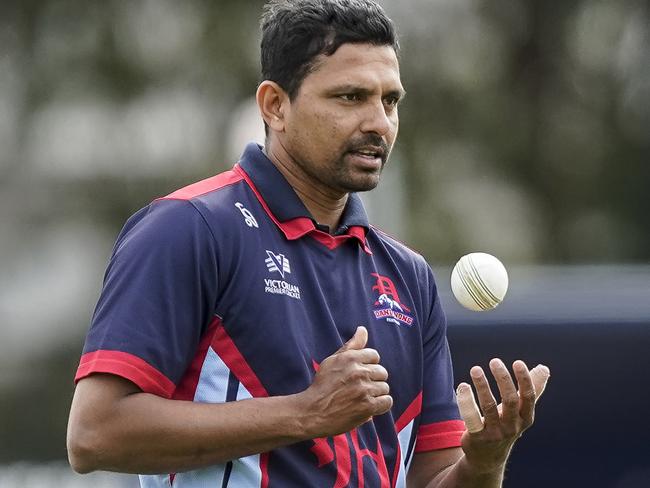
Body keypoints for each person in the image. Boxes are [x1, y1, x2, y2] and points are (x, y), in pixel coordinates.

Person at [67, 1, 550, 486]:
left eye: (390, 101)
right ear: (275, 105)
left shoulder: (408, 275)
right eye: (350, 97)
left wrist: (484, 462)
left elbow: (432, 478)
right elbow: (94, 434)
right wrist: (305, 413)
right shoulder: (189, 227)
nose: (379, 123)